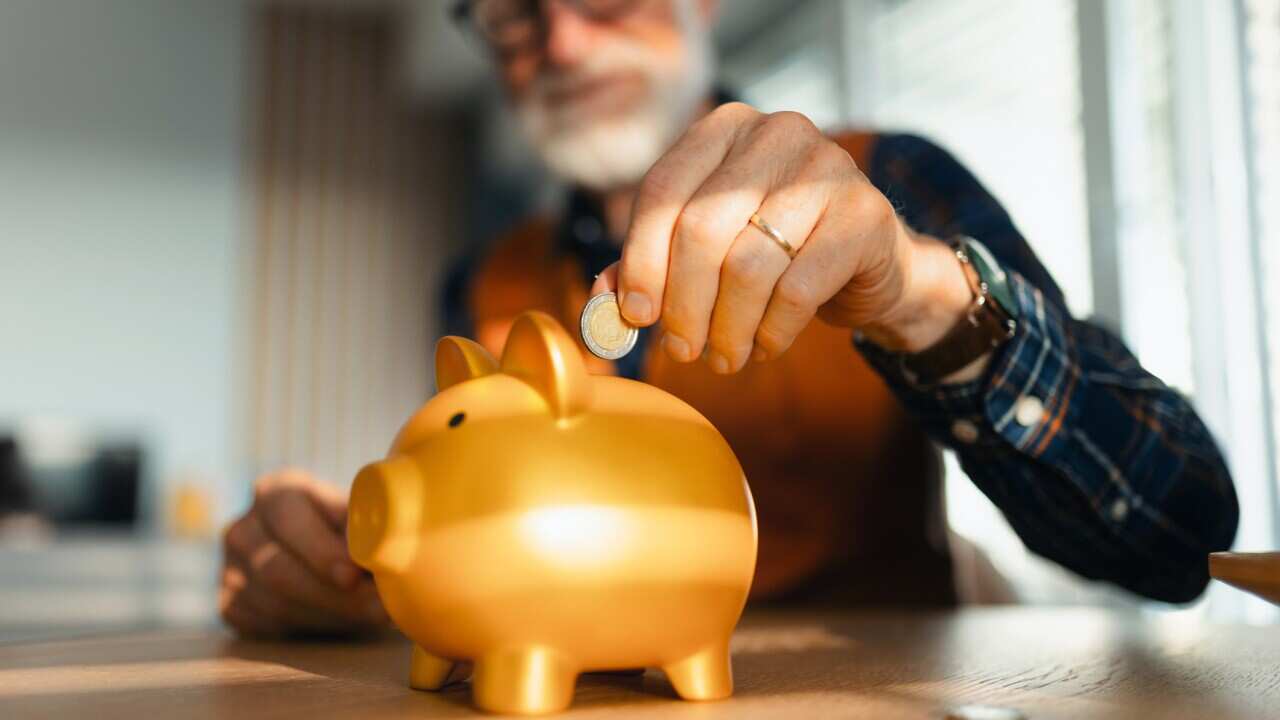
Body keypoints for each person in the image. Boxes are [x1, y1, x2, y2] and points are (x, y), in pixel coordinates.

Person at [219, 0, 1239, 637]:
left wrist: (922, 296)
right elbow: (471, 552)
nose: (562, 41)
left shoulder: (892, 180)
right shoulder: (483, 281)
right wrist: (345, 569)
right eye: (512, 12)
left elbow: (1181, 535)